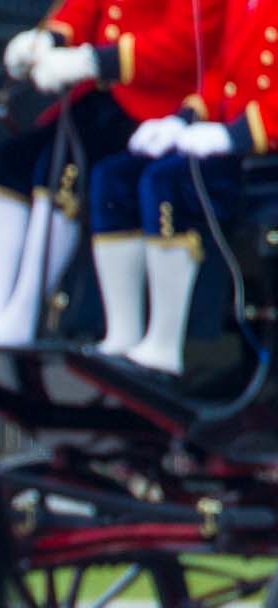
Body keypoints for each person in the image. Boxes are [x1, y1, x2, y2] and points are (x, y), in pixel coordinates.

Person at [0, 1, 218, 347]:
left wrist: (95, 60)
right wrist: (47, 41)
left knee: (61, 172)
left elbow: (186, 42)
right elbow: (83, 8)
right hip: (104, 96)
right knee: (9, 162)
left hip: (158, 104)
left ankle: (22, 315)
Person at [88, 1, 269, 375]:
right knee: (114, 178)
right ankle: (123, 331)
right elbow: (222, 67)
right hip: (231, 139)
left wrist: (233, 135)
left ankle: (164, 342)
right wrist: (186, 117)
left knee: (166, 183)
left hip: (263, 156)